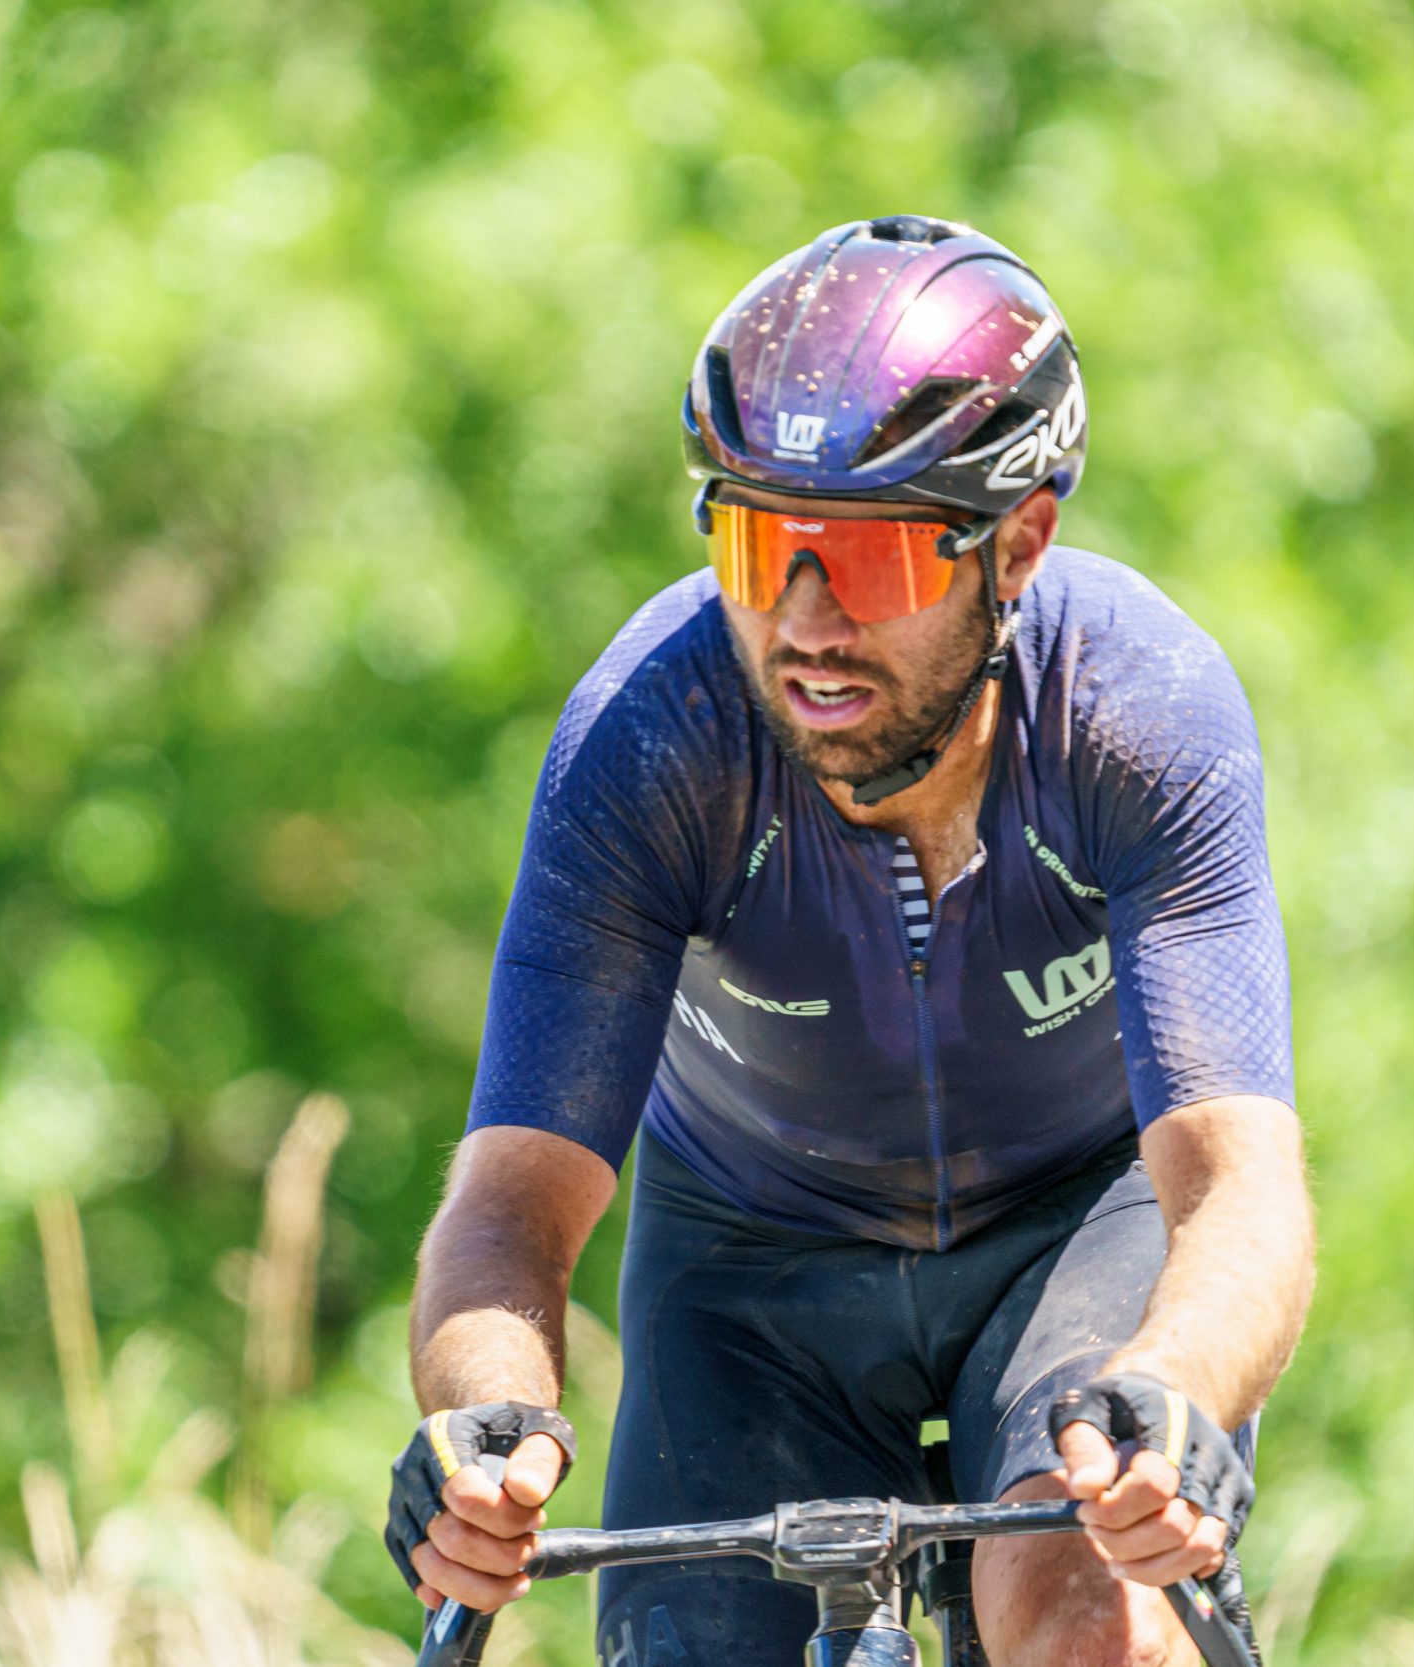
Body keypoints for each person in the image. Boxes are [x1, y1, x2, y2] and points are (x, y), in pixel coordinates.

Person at [385, 216, 1315, 1667]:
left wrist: (1173, 1393)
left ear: (1018, 542)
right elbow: (510, 1201)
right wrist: (487, 1424)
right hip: (755, 1256)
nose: (802, 626)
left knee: (1082, 1624)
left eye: (868, 564)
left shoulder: (1139, 717)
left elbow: (1239, 1185)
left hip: (1075, 1225)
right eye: (760, 547)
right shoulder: (650, 740)